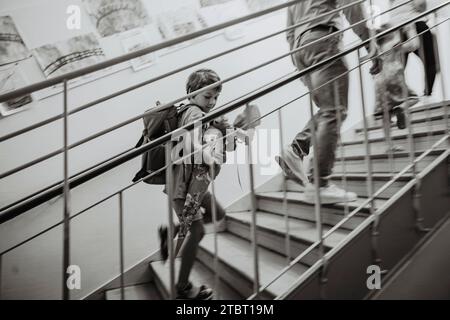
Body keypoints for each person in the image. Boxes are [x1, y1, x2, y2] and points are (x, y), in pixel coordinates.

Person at [276, 0, 382, 204]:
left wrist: (299, 65)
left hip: (301, 48)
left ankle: (297, 149)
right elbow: (351, 4)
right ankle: (320, 183)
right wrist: (369, 40)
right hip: (324, 37)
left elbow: (289, 31)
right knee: (335, 111)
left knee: (328, 110)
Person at [158, 69, 233, 300]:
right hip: (182, 189)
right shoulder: (193, 112)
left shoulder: (198, 112)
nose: (212, 102)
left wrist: (223, 128)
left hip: (193, 186)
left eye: (215, 97)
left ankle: (172, 230)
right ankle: (182, 287)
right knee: (198, 231)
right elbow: (187, 139)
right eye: (207, 97)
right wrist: (207, 156)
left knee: (218, 213)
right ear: (192, 94)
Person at [372, 23, 420, 152]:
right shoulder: (394, 43)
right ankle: (401, 108)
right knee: (414, 97)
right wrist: (411, 29)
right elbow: (414, 45)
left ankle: (389, 145)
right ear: (391, 34)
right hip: (394, 75)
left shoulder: (377, 49)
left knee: (385, 115)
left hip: (379, 80)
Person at [390, 0, 438, 102]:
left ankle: (399, 97)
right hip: (416, 24)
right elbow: (420, 4)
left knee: (399, 67)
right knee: (430, 61)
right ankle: (427, 95)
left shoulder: (392, 2)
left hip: (397, 30)